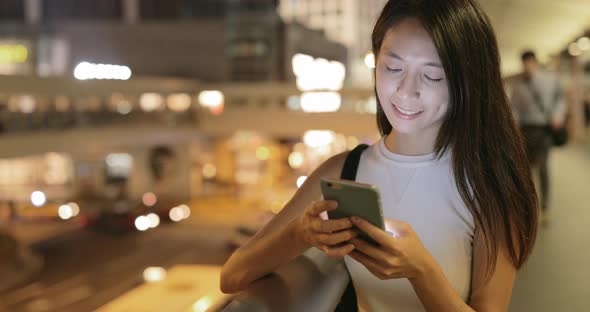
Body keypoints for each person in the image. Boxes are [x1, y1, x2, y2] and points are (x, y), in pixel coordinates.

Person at [220, 0, 539, 310]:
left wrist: (421, 271)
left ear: (468, 81)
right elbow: (233, 275)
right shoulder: (343, 170)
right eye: (393, 67)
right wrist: (299, 234)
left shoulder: (487, 185)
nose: (405, 90)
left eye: (433, 75)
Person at [510, 50, 566, 225]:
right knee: (525, 170)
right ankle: (529, 207)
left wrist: (558, 116)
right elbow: (514, 107)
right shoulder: (518, 85)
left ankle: (545, 208)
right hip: (525, 131)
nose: (527, 66)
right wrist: (514, 126)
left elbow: (560, 99)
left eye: (529, 62)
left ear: (534, 62)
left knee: (543, 167)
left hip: (544, 129)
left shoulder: (549, 79)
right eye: (524, 63)